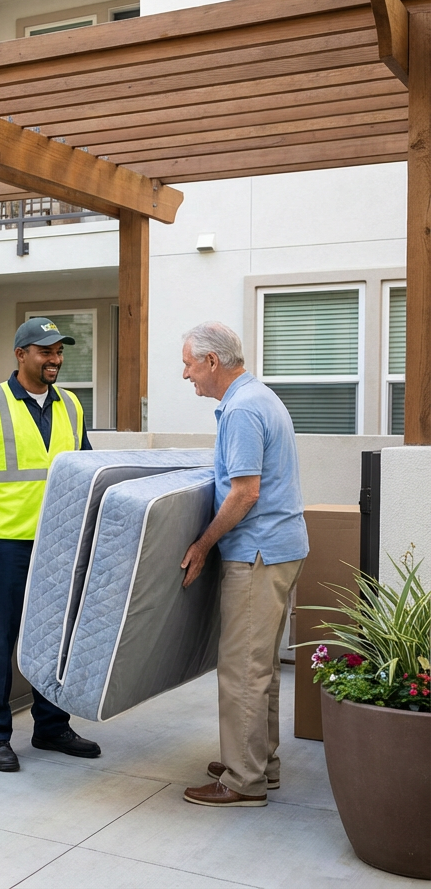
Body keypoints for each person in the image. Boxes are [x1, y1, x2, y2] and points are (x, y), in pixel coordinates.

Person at [0, 317, 102, 773]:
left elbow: (84, 468)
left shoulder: (72, 406)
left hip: (58, 543)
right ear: (21, 355)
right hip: (5, 546)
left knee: (53, 639)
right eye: (45, 351)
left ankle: (52, 726)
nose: (55, 359)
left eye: (59, 351)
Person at [178, 322, 308, 807]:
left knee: (241, 669)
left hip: (256, 553)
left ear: (212, 362)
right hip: (279, 548)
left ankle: (242, 780)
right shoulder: (259, 397)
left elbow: (245, 492)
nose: (185, 373)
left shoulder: (242, 409)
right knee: (263, 667)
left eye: (189, 363)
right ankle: (260, 763)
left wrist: (204, 543)